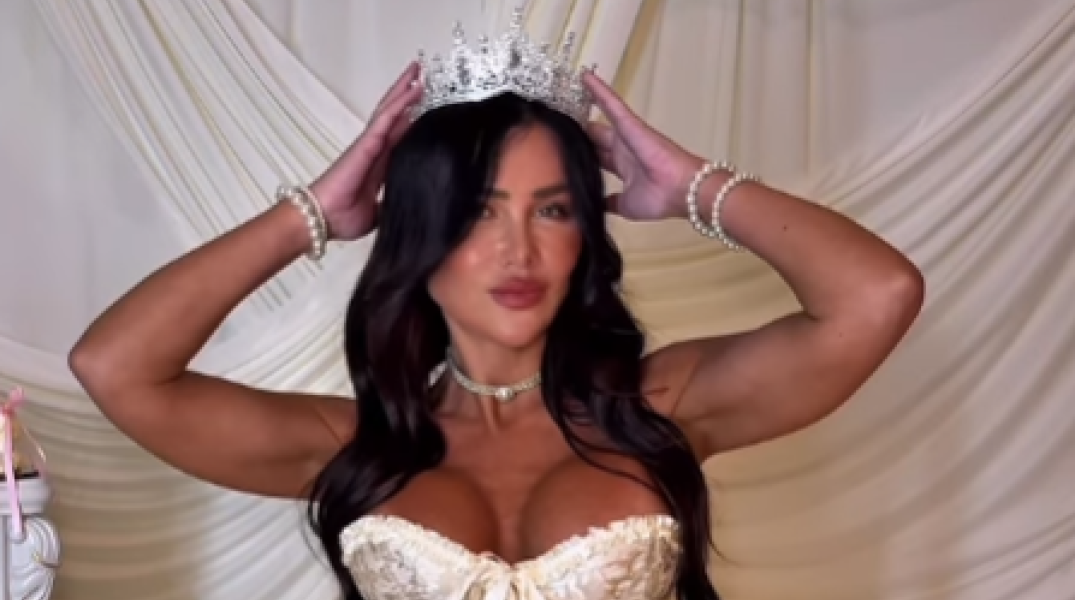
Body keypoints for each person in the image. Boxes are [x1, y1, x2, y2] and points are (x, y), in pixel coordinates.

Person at [69, 27, 924, 600]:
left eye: (551, 210)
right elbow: (116, 368)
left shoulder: (662, 407)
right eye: (477, 212)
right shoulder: (353, 447)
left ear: (585, 235)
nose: (519, 251)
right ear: (420, 235)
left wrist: (691, 187)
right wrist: (316, 214)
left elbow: (877, 295)